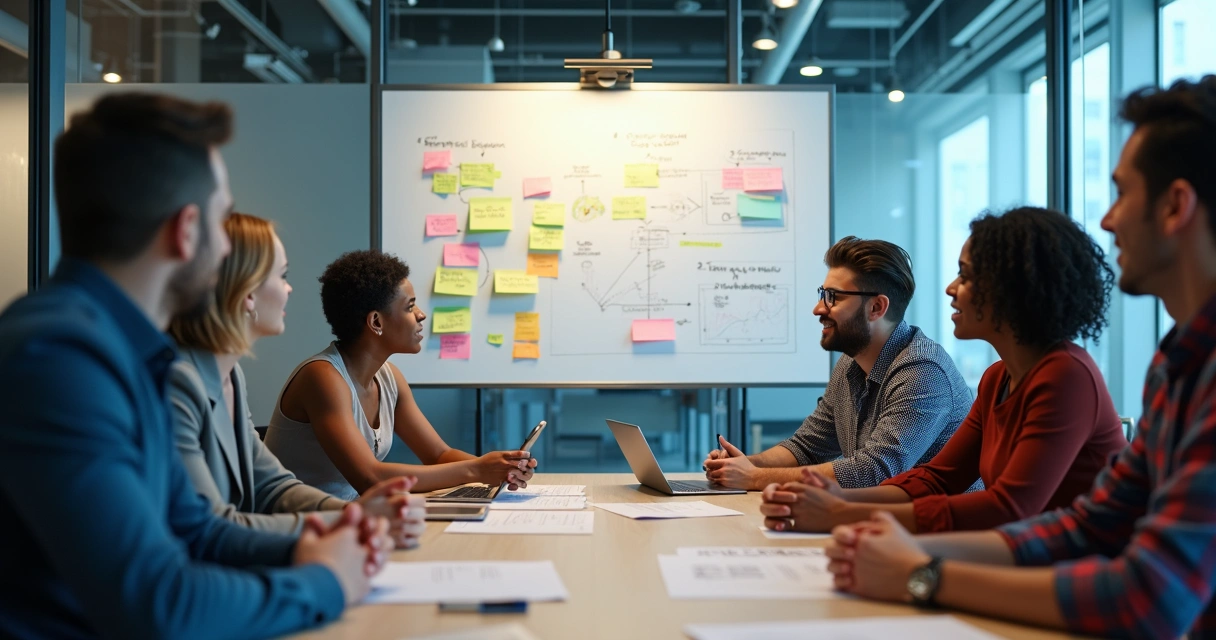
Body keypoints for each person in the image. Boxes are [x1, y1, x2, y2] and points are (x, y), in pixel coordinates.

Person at [825, 76, 1216, 638]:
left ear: (1176, 206)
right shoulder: (1177, 365)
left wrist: (922, 573)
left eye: (1122, 193)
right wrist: (895, 541)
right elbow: (1092, 525)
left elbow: (1148, 599)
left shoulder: (1076, 374)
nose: (1108, 220)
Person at [0, 93, 391, 639]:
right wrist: (327, 579)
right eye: (219, 217)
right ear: (186, 232)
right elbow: (158, 603)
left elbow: (198, 532)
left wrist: (332, 536)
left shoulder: (128, 352)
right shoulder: (59, 361)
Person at [761, 208, 1127, 534]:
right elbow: (938, 478)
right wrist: (837, 500)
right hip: (1022, 555)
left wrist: (843, 512)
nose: (951, 289)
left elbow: (1009, 508)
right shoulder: (997, 377)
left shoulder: (1066, 375)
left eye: (965, 276)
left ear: (1013, 290)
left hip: (1081, 574)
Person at [168, 213, 426, 547]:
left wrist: (356, 517)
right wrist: (346, 523)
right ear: (247, 292)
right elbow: (209, 527)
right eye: (282, 275)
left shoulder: (231, 375)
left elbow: (271, 487)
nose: (289, 288)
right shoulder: (180, 383)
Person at [704, 237, 973, 490]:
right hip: (884, 523)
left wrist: (755, 478)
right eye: (823, 294)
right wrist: (744, 464)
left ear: (876, 308)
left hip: (940, 533)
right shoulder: (850, 364)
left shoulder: (922, 372)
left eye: (833, 297)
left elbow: (874, 472)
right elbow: (807, 447)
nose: (819, 308)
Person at [265, 250, 538, 499]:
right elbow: (370, 478)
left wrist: (501, 468)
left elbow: (438, 454)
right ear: (376, 322)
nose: (421, 315)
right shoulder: (322, 378)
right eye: (410, 307)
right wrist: (477, 470)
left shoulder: (389, 377)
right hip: (300, 531)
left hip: (350, 520)